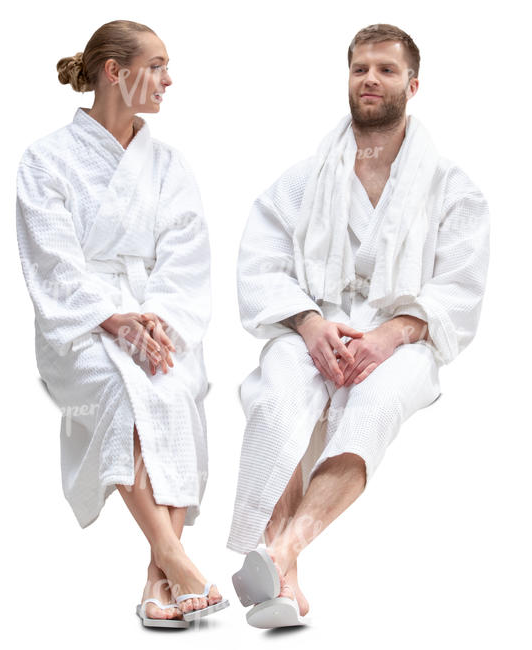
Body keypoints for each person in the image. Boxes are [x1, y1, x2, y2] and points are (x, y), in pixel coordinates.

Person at [228, 23, 490, 628]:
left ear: (412, 85)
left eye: (386, 69)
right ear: (348, 80)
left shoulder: (454, 189)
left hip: (403, 335)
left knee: (372, 404)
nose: (370, 79)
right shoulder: (303, 179)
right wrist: (310, 322)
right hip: (314, 321)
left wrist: (390, 333)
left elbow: (459, 289)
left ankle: (279, 555)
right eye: (359, 69)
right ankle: (286, 586)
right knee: (277, 398)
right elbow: (261, 264)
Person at [16, 19, 228, 627]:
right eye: (156, 66)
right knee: (122, 388)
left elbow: (186, 255)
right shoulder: (46, 159)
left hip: (159, 318)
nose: (169, 79)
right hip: (80, 324)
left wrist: (153, 321)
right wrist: (115, 320)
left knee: (176, 385)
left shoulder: (168, 163)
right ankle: (174, 556)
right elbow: (51, 260)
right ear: (116, 72)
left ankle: (158, 583)